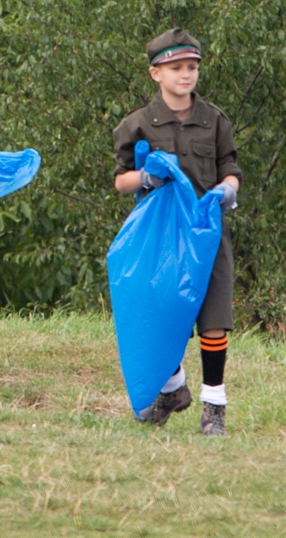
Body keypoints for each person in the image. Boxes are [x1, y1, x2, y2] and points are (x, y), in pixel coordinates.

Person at [112, 29, 242, 435]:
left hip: (207, 233)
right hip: (160, 238)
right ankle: (172, 389)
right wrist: (146, 177)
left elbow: (231, 170)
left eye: (192, 67)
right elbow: (120, 180)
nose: (186, 75)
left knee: (214, 318)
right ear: (156, 73)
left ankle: (214, 408)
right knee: (158, 313)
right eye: (176, 68)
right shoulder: (137, 124)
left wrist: (227, 190)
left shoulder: (214, 120)